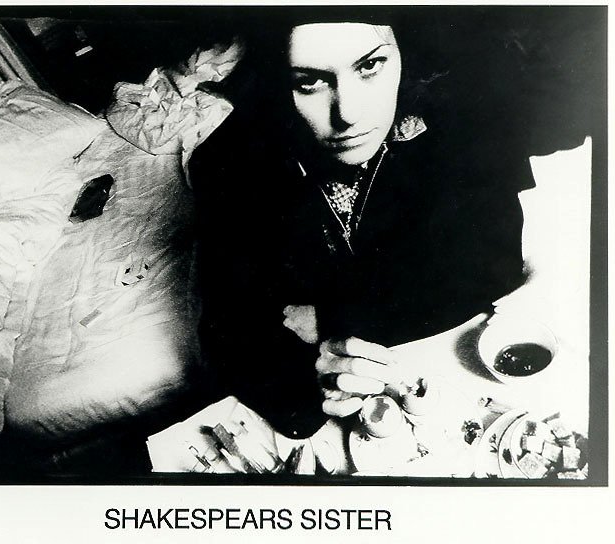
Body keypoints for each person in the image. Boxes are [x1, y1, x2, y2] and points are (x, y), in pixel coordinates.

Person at [191, 13, 525, 439]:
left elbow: (494, 267)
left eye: (370, 66)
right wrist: (307, 384)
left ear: (404, 52)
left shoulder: (464, 122)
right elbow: (229, 330)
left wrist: (336, 317)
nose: (347, 114)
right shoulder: (228, 161)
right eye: (308, 81)